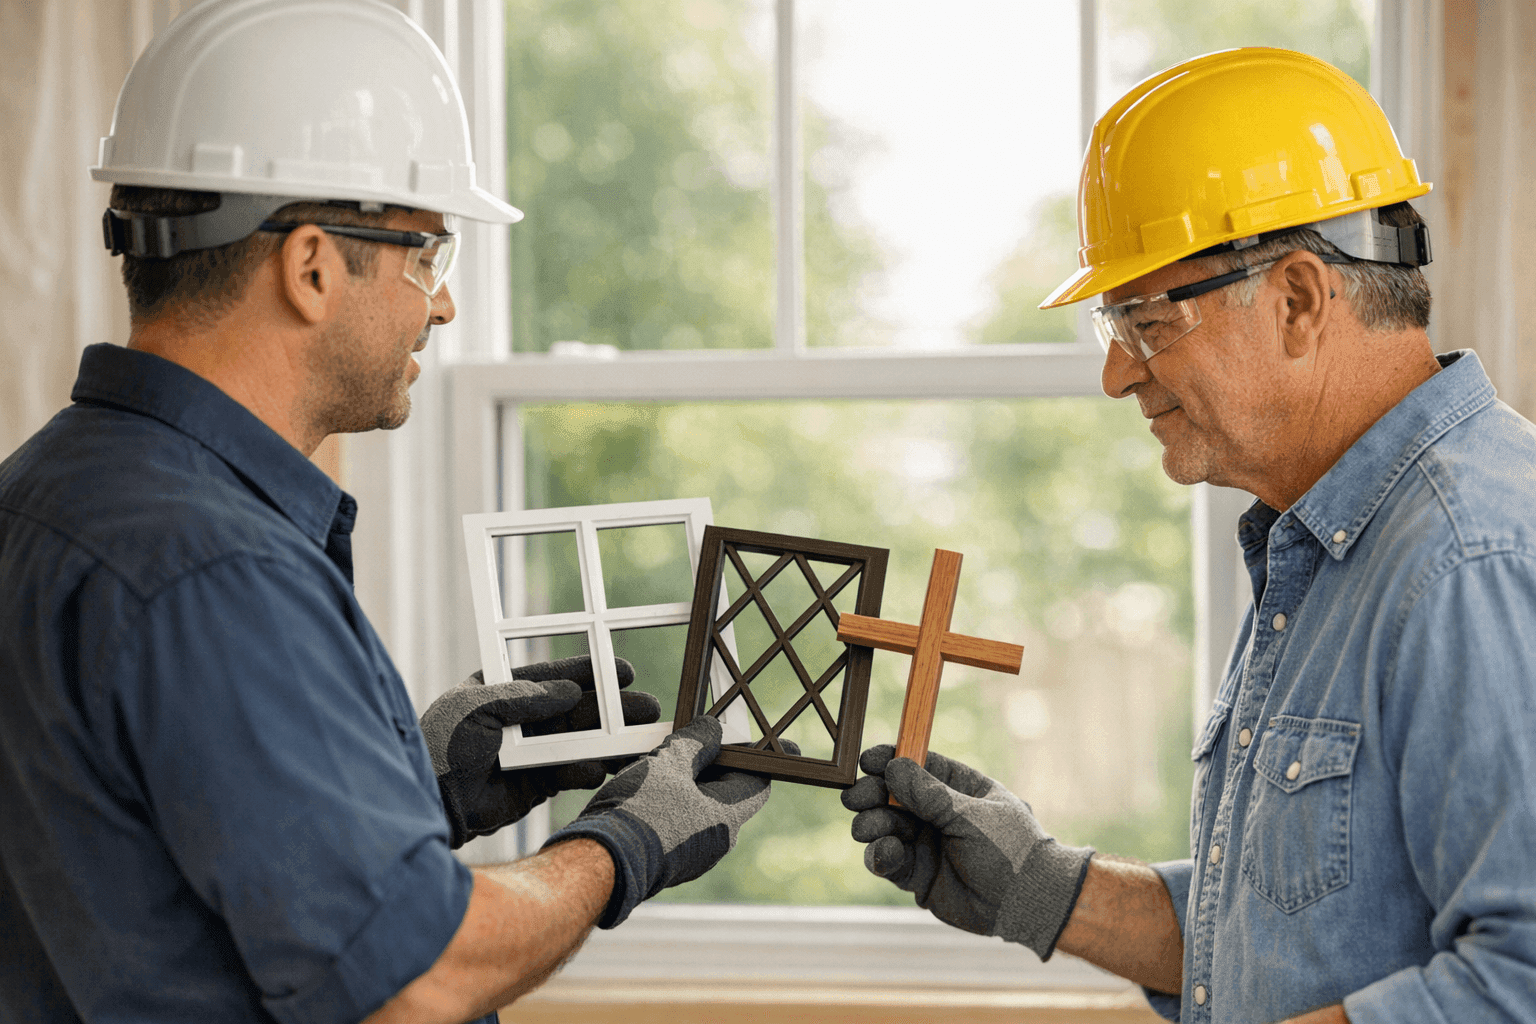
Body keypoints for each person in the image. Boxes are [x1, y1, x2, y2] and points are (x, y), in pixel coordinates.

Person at [0, 2, 775, 1022]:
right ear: (312, 264)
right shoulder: (217, 568)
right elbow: (418, 974)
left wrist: (421, 789)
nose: (441, 304)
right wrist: (624, 844)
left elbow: (140, 865)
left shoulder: (44, 494)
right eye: (426, 254)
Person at [843, 47, 1536, 1024]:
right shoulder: (1330, 548)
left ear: (1298, 299)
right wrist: (1041, 887)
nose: (1118, 376)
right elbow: (1285, 936)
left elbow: (1517, 984)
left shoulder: (1475, 560)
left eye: (1147, 322)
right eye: (1111, 327)